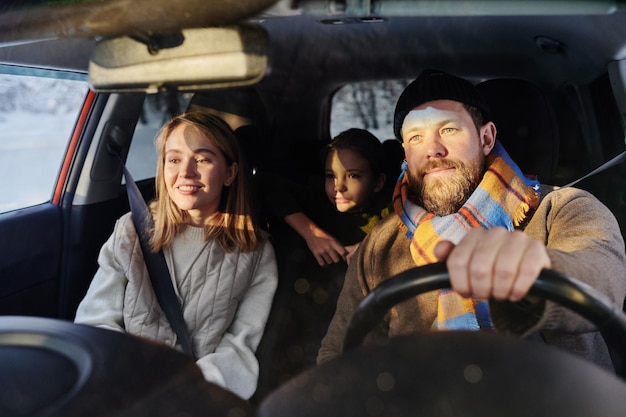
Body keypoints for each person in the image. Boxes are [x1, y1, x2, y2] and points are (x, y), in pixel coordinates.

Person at [317, 69, 626, 371]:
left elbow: (603, 280)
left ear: (486, 137)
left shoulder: (561, 209)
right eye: (416, 137)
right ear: (405, 155)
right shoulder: (380, 245)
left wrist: (535, 276)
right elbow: (338, 353)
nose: (433, 150)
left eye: (449, 129)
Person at [74, 111, 278, 400]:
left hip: (196, 396)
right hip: (122, 387)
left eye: (203, 159)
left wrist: (186, 386)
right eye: (174, 159)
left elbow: (240, 346)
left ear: (230, 173)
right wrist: (128, 377)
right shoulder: (131, 231)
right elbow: (96, 320)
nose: (186, 172)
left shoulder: (256, 252)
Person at [263, 128, 392, 266]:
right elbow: (267, 185)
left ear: (378, 182)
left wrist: (373, 245)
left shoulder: (392, 210)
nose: (338, 187)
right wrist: (311, 233)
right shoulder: (319, 203)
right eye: (331, 176)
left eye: (353, 175)